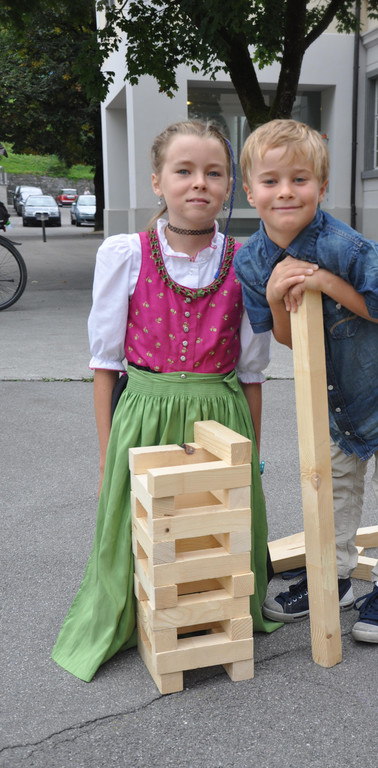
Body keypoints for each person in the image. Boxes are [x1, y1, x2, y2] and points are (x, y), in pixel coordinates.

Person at [52, 120, 281, 683]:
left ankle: (206, 614)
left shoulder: (248, 260)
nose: (199, 182)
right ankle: (140, 614)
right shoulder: (126, 254)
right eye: (184, 170)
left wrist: (252, 454)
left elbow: (251, 372)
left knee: (213, 524)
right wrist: (106, 456)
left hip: (220, 415)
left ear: (229, 186)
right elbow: (105, 366)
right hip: (144, 412)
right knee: (142, 526)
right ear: (158, 181)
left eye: (214, 173)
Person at [233, 119, 378, 644]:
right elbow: (287, 338)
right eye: (271, 180)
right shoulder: (252, 261)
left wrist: (324, 280)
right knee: (335, 484)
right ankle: (337, 576)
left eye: (299, 179)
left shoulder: (349, 249)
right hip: (334, 390)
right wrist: (277, 294)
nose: (285, 191)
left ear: (321, 188)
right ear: (250, 191)